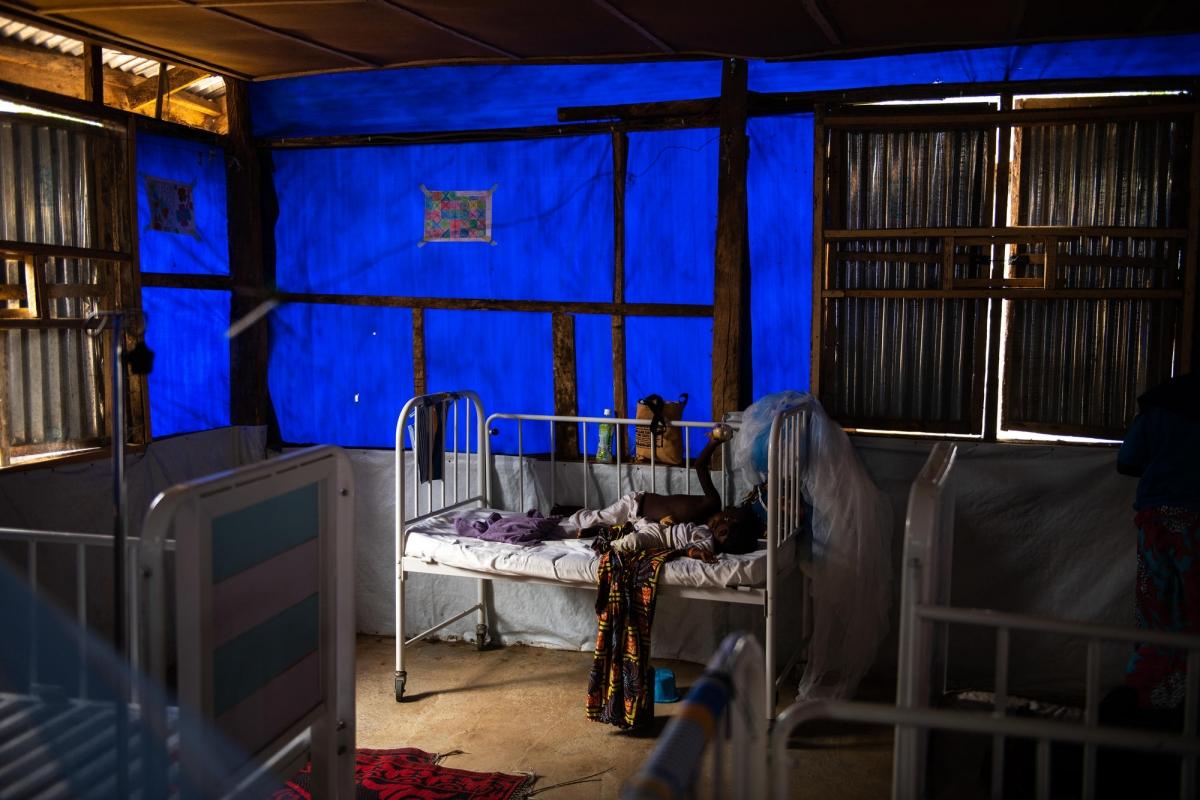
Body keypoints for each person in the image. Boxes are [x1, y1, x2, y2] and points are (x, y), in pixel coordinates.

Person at [1117, 372, 1200, 710]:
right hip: (1196, 525)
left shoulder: (1158, 408)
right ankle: (1185, 701)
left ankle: (1149, 699)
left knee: (1155, 611)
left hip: (1156, 522)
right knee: (1194, 613)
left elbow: (1127, 462)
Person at [558, 431, 764, 556]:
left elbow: (675, 537)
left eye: (724, 533)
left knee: (604, 528)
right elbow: (701, 466)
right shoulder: (712, 502)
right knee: (593, 519)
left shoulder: (703, 533)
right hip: (635, 505)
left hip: (641, 523)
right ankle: (564, 514)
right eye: (726, 519)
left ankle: (577, 518)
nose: (721, 523)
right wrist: (713, 442)